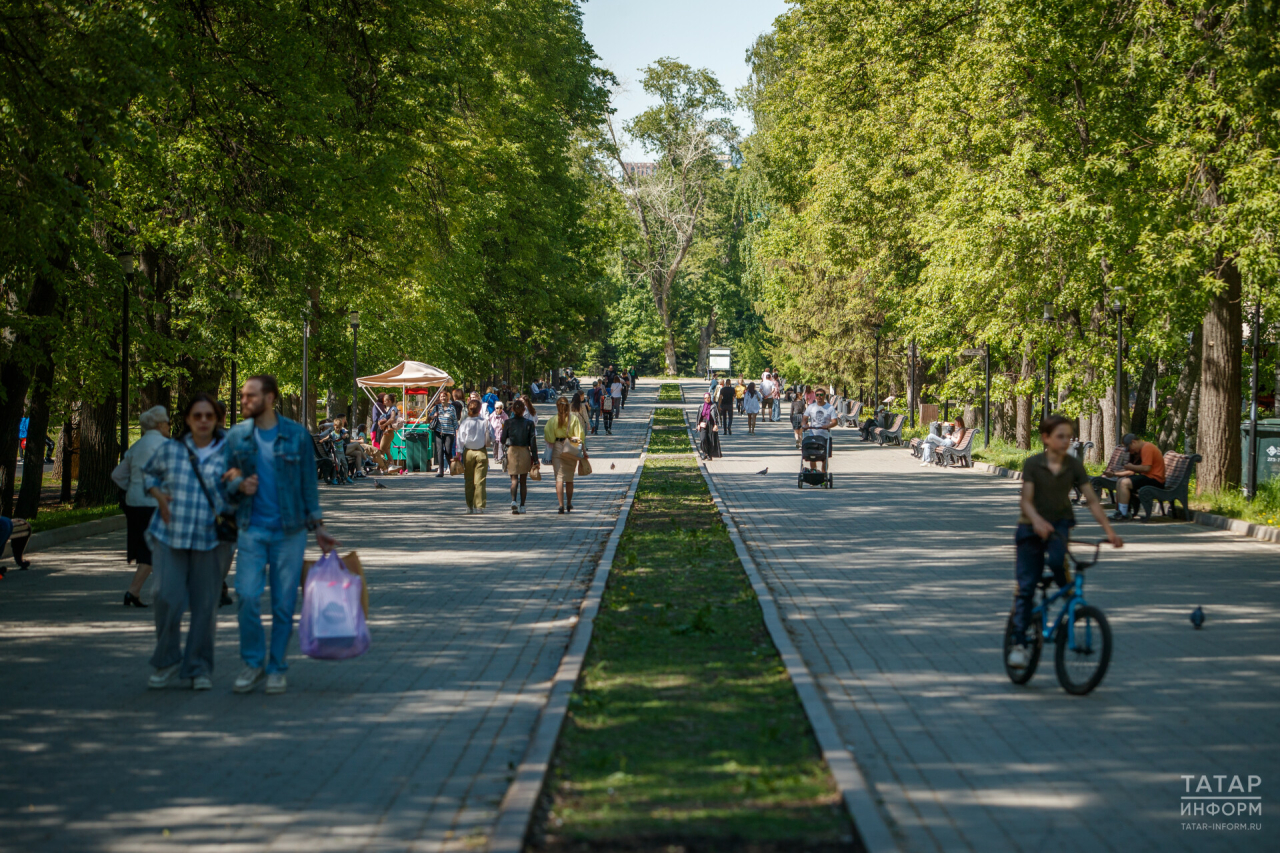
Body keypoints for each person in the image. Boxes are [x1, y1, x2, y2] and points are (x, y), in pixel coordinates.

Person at [224, 375, 339, 696]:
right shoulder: (236, 436)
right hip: (251, 529)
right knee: (246, 596)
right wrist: (237, 483)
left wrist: (319, 527)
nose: (244, 401)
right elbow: (223, 475)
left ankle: (276, 667)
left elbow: (307, 485)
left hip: (290, 531)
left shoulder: (295, 435)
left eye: (250, 396)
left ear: (270, 397)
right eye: (242, 396)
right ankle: (252, 663)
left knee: (283, 604)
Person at [1008, 415, 1124, 669]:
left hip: (1060, 525)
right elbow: (1026, 500)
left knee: (1060, 564)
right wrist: (1037, 521)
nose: (1066, 441)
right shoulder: (1033, 464)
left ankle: (1068, 608)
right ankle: (1019, 644)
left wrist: (1110, 531)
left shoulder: (1073, 465)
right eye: (1060, 436)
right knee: (1026, 587)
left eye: (1069, 436)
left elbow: (1092, 500)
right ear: (1046, 438)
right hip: (1030, 528)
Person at [141, 394, 227, 690]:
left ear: (216, 420)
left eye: (209, 416)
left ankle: (199, 667)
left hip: (210, 538)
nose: (203, 421)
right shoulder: (172, 449)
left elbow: (241, 486)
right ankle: (167, 660)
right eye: (197, 416)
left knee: (205, 605)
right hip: (170, 534)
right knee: (166, 595)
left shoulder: (228, 451)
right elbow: (148, 474)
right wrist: (158, 495)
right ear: (188, 420)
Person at [112, 405, 170, 608]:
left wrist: (133, 488)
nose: (169, 427)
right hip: (155, 503)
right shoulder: (165, 446)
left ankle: (144, 591)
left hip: (134, 502)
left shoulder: (136, 447)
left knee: (150, 547)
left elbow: (117, 475)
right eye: (168, 423)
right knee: (155, 547)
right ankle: (133, 591)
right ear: (161, 424)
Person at [543, 396, 586, 513]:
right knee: (569, 479)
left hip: (557, 448)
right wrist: (584, 452)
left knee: (559, 478)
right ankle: (569, 503)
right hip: (571, 449)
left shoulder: (552, 420)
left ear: (557, 407)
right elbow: (580, 436)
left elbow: (549, 437)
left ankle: (560, 505)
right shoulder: (574, 419)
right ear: (568, 406)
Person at [1110, 433, 1166, 521]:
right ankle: (1121, 511)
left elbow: (1146, 468)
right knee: (1120, 481)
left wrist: (1130, 466)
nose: (1131, 452)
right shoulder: (1142, 449)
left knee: (1124, 483)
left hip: (1155, 480)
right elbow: (1138, 469)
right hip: (1147, 478)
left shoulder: (1147, 447)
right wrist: (1115, 473)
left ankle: (1124, 514)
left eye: (1130, 449)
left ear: (1134, 442)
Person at [456, 399, 492, 514]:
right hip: (481, 451)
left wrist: (458, 453)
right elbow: (492, 436)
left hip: (468, 452)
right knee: (480, 480)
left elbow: (460, 439)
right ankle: (479, 506)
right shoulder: (484, 421)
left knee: (469, 480)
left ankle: (469, 506)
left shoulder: (465, 422)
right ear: (480, 409)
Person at [503, 398, 539, 514]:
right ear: (524, 410)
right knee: (523, 481)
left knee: (514, 480)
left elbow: (502, 439)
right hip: (524, 451)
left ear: (513, 410)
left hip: (512, 451)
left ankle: (513, 501)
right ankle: (522, 505)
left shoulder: (508, 422)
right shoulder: (529, 423)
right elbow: (533, 441)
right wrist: (536, 459)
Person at [802, 388, 839, 473]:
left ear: (824, 396)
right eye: (817, 395)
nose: (819, 397)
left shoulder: (830, 408)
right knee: (812, 456)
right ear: (815, 396)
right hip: (813, 436)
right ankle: (813, 473)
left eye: (821, 395)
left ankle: (823, 474)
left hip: (825, 436)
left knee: (824, 457)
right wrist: (804, 425)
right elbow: (804, 419)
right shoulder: (811, 407)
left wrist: (827, 426)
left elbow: (835, 422)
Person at [695, 392, 722, 460]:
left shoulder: (713, 406)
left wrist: (716, 425)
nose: (707, 399)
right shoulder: (701, 406)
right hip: (703, 424)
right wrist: (698, 424)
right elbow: (698, 417)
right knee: (703, 439)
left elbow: (717, 415)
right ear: (704, 399)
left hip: (711, 424)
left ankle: (709, 454)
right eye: (706, 398)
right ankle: (705, 452)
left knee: (710, 439)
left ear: (710, 398)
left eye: (708, 397)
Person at [488, 400, 509, 464]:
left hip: (501, 434)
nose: (499, 409)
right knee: (495, 447)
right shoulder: (492, 416)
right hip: (494, 434)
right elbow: (489, 424)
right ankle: (496, 458)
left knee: (501, 446)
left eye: (500, 408)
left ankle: (500, 458)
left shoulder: (505, 415)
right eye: (497, 408)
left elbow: (507, 423)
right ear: (495, 408)